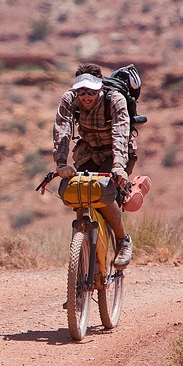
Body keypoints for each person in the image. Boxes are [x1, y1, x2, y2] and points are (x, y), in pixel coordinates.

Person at [52, 63, 134, 268]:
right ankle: (83, 270)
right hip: (88, 149)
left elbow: (120, 134)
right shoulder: (70, 99)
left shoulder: (115, 100)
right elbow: (62, 129)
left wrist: (118, 167)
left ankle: (123, 239)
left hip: (116, 154)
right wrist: (61, 163)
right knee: (79, 192)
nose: (86, 96)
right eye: (81, 91)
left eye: (91, 91)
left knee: (103, 192)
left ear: (100, 88)